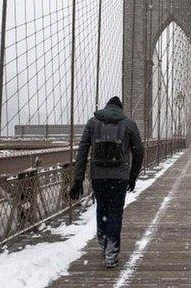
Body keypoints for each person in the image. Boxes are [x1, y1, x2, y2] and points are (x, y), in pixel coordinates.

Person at [69, 96, 145, 268]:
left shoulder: (93, 123)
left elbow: (82, 152)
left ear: (106, 107)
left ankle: (104, 241)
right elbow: (139, 151)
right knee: (115, 212)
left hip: (98, 176)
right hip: (119, 177)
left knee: (102, 208)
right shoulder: (129, 124)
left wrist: (78, 180)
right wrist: (133, 176)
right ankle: (111, 251)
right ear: (120, 108)